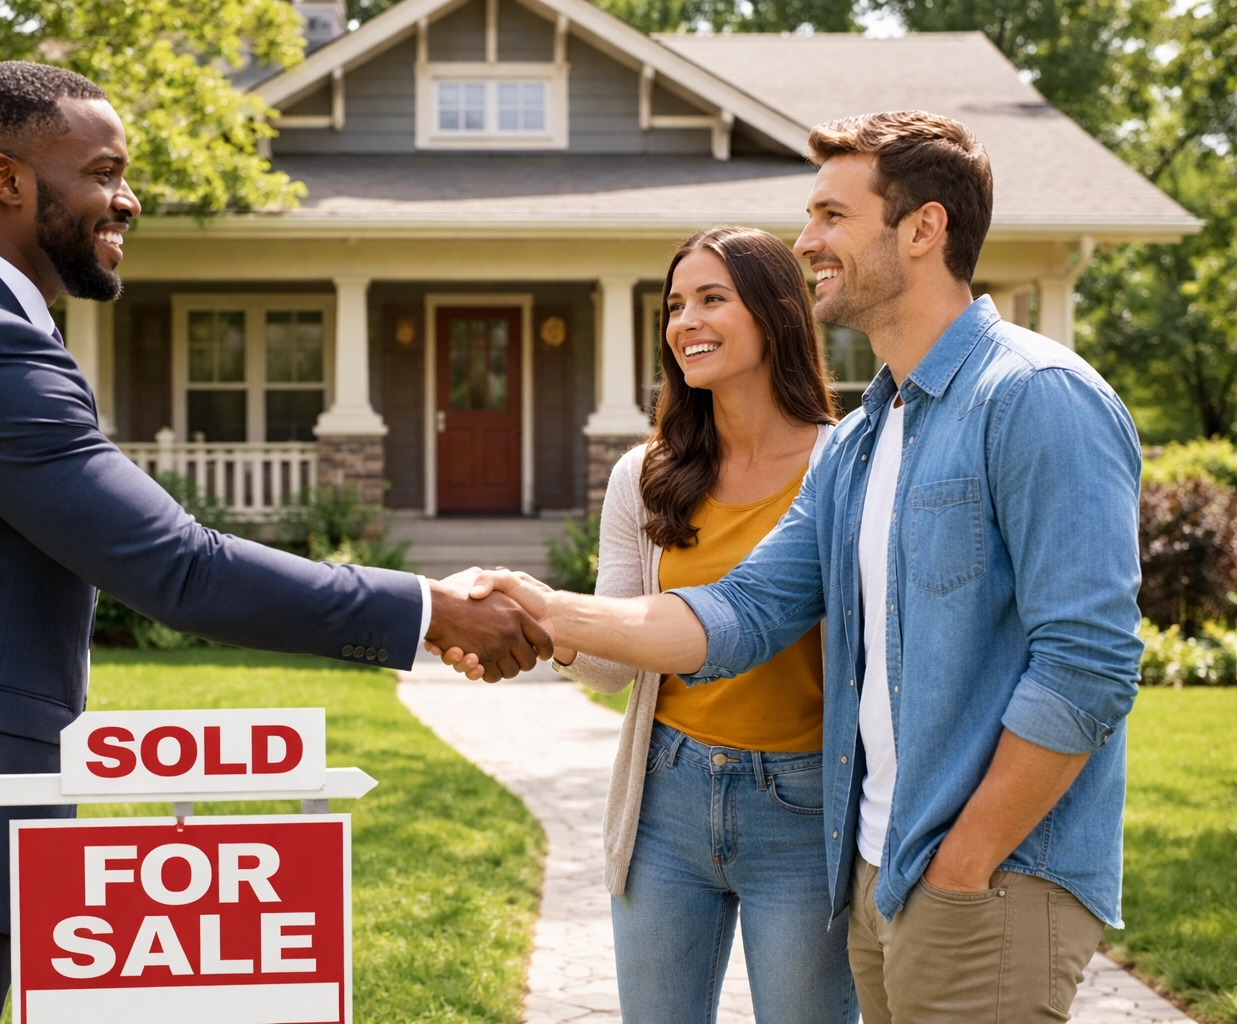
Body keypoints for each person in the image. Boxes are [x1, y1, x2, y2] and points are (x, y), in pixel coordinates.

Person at [0, 61, 548, 1024]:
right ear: (7, 180)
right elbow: (178, 568)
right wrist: (427, 609)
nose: (129, 197)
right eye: (103, 171)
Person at [446, 111, 1143, 1023]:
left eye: (831, 216)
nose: (806, 241)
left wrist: (966, 860)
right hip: (880, 868)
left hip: (987, 874)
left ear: (923, 229)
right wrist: (542, 607)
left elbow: (1088, 665)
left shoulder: (1034, 397)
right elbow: (736, 614)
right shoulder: (865, 440)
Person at [549, 226, 854, 1023]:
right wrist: (537, 624)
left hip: (806, 809)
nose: (685, 321)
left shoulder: (846, 465)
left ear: (777, 313)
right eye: (675, 305)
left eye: (712, 299)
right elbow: (614, 668)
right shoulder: (644, 477)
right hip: (668, 799)